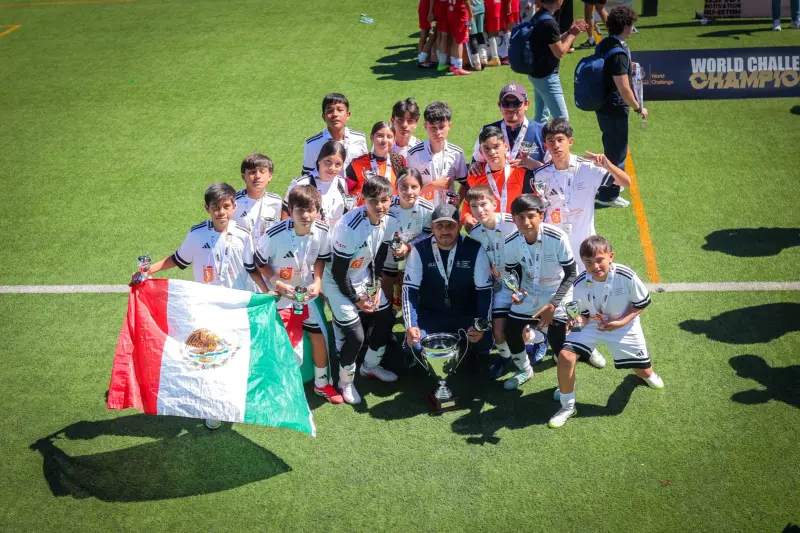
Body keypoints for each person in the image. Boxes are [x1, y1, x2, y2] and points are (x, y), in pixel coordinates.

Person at [130, 182, 264, 430]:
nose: (221, 212)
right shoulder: (197, 234)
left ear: (234, 207)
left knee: (232, 355)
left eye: (226, 207)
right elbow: (178, 259)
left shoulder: (244, 236)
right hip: (205, 307)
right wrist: (150, 270)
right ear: (207, 208)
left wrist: (268, 292)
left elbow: (252, 269)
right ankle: (212, 406)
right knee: (208, 356)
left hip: (235, 308)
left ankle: (229, 400)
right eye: (216, 207)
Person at [523, 118, 630, 368]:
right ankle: (556, 341)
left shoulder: (588, 168)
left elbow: (625, 182)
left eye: (560, 140)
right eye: (550, 141)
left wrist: (608, 164)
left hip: (584, 249)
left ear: (570, 141)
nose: (555, 145)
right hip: (555, 250)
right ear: (546, 145)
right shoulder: (540, 175)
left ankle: (584, 346)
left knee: (583, 302)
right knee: (558, 300)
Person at [549, 235, 663, 428]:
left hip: (624, 325)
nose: (595, 266)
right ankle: (568, 406)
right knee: (566, 356)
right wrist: (576, 320)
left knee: (643, 371)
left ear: (611, 256)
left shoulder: (626, 275)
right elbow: (584, 315)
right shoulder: (580, 283)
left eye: (600, 260)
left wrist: (621, 322)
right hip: (594, 324)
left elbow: (641, 303)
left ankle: (647, 374)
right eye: (589, 262)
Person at [253, 185, 344, 404]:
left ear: (318, 211)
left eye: (311, 210)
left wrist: (318, 281)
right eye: (300, 210)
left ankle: (322, 384)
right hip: (280, 297)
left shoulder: (322, 231)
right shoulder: (274, 234)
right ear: (290, 210)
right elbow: (258, 262)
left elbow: (321, 258)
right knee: (276, 341)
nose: (305, 215)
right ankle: (275, 385)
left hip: (307, 296)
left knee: (319, 337)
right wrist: (278, 283)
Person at [323, 176, 402, 404]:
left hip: (361, 277)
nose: (380, 206)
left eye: (385, 200)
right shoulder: (349, 227)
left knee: (386, 317)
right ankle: (345, 382)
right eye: (373, 201)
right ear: (363, 199)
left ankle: (370, 366)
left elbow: (378, 255)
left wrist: (375, 286)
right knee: (356, 335)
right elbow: (338, 272)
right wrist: (357, 299)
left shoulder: (390, 221)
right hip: (337, 282)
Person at [491, 194, 576, 390]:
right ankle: (524, 370)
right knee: (511, 330)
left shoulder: (557, 237)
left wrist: (553, 304)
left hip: (557, 288)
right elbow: (514, 271)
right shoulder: (511, 241)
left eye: (531, 216)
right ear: (513, 218)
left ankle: (562, 379)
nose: (526, 222)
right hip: (529, 289)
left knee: (558, 339)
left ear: (541, 215)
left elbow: (571, 274)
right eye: (520, 217)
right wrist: (517, 290)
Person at [403, 203, 493, 367]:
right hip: (431, 315)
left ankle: (469, 351)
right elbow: (409, 291)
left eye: (450, 225)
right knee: (415, 344)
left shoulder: (474, 248)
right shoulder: (419, 250)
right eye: (440, 226)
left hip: (465, 313)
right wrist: (411, 325)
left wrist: (480, 325)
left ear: (459, 226)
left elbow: (485, 292)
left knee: (484, 342)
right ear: (432, 227)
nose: (445, 231)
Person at [594, 6, 645, 208]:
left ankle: (605, 187)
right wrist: (639, 108)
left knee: (610, 147)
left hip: (602, 105)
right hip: (614, 108)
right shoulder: (619, 53)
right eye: (632, 26)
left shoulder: (605, 43)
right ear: (626, 27)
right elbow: (625, 90)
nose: (633, 29)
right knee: (617, 153)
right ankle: (608, 195)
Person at [465, 185, 518, 374]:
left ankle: (539, 339)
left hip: (526, 285)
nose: (480, 210)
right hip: (500, 287)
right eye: (474, 206)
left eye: (483, 204)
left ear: (494, 203)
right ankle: (505, 358)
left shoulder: (513, 223)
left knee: (523, 331)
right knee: (498, 332)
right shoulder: (475, 232)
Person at [528, 0, 588, 123]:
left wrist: (570, 32)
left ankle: (538, 141)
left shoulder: (540, 16)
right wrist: (573, 35)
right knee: (562, 120)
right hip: (546, 77)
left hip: (536, 73)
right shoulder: (549, 22)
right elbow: (559, 52)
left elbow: (552, 41)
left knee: (541, 116)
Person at [383, 168, 435, 309]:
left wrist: (409, 246)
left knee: (413, 283)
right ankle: (385, 314)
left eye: (414, 187)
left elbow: (428, 232)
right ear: (396, 188)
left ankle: (412, 316)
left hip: (414, 251)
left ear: (421, 188)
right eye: (403, 187)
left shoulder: (427, 208)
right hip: (389, 251)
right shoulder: (388, 205)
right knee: (388, 281)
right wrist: (394, 245)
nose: (409, 191)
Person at [461, 125, 530, 231]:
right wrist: (466, 218)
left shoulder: (521, 172)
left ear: (506, 146)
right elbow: (467, 204)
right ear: (480, 150)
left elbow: (533, 204)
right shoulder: (475, 176)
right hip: (488, 234)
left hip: (517, 233)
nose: (492, 152)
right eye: (486, 148)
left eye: (496, 146)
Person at [469, 83, 547, 174]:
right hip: (497, 187)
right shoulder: (487, 131)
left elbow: (556, 170)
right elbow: (476, 161)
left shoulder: (542, 132)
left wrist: (534, 165)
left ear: (526, 104)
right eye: (506, 104)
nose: (511, 108)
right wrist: (475, 165)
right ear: (499, 106)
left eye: (516, 103)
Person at [406, 101, 468, 208]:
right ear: (425, 126)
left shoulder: (457, 153)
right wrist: (434, 185)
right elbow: (408, 189)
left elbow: (465, 183)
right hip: (422, 211)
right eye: (433, 128)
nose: (438, 132)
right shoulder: (414, 154)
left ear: (449, 125)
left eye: (442, 127)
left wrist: (457, 201)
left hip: (448, 212)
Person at [284, 141, 350, 227]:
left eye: (338, 164)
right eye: (328, 161)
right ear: (319, 160)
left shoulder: (342, 184)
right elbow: (285, 215)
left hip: (335, 239)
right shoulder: (301, 183)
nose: (332, 168)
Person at [302, 93, 368, 176]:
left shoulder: (359, 138)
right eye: (330, 111)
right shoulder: (312, 144)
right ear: (323, 117)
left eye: (340, 110)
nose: (335, 115)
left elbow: (365, 169)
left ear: (348, 115)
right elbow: (308, 176)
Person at [346, 121, 406, 203]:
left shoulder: (400, 162)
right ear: (371, 137)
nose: (384, 140)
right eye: (380, 136)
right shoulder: (357, 164)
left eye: (389, 136)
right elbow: (346, 191)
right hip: (364, 213)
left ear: (394, 139)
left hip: (390, 213)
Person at [233, 153, 283, 247]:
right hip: (240, 256)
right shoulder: (232, 201)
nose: (257, 176)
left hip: (268, 256)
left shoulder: (277, 202)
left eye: (262, 171)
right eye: (252, 172)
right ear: (244, 177)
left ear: (270, 176)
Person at [444, 0, 474, 75]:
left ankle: (454, 65)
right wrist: (471, 14)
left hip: (451, 12)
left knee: (455, 39)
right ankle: (458, 67)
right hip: (460, 14)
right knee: (459, 41)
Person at [468, 0, 488, 70]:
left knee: (473, 36)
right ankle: (484, 59)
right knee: (480, 33)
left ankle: (477, 63)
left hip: (471, 9)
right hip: (481, 7)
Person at [418, 0, 437, 67]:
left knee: (423, 34)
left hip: (422, 5)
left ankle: (420, 59)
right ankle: (422, 61)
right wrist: (431, 11)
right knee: (433, 35)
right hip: (429, 9)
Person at [484, 0, 504, 66]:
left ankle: (495, 58)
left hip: (492, 6)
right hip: (495, 5)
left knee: (491, 33)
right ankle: (496, 56)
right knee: (495, 33)